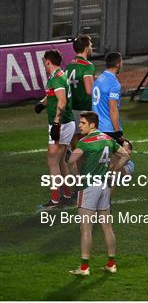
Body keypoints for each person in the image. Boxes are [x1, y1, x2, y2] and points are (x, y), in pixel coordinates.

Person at [67, 111, 130, 275]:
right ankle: (111, 264)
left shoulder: (85, 142)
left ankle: (84, 267)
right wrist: (113, 169)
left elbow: (71, 160)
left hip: (88, 187)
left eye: (82, 123)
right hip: (104, 186)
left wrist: (76, 178)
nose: (79, 126)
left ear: (92, 124)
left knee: (86, 229)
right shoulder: (108, 139)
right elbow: (125, 155)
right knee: (107, 227)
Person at [34, 50, 75, 209]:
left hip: (61, 124)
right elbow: (53, 95)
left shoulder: (57, 78)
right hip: (65, 123)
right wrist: (42, 103)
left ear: (48, 62)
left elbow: (62, 101)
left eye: (44, 61)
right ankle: (67, 194)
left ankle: (55, 200)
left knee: (52, 161)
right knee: (61, 161)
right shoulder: (57, 76)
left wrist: (56, 123)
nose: (44, 63)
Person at [66, 35, 95, 150]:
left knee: (76, 136)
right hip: (85, 107)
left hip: (72, 107)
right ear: (86, 48)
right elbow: (89, 90)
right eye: (91, 45)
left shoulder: (69, 66)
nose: (92, 48)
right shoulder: (88, 66)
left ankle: (75, 162)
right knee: (88, 139)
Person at [92, 52, 125, 145]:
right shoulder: (114, 84)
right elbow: (113, 109)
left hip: (96, 127)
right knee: (120, 157)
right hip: (108, 128)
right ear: (118, 64)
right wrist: (117, 131)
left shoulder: (98, 79)